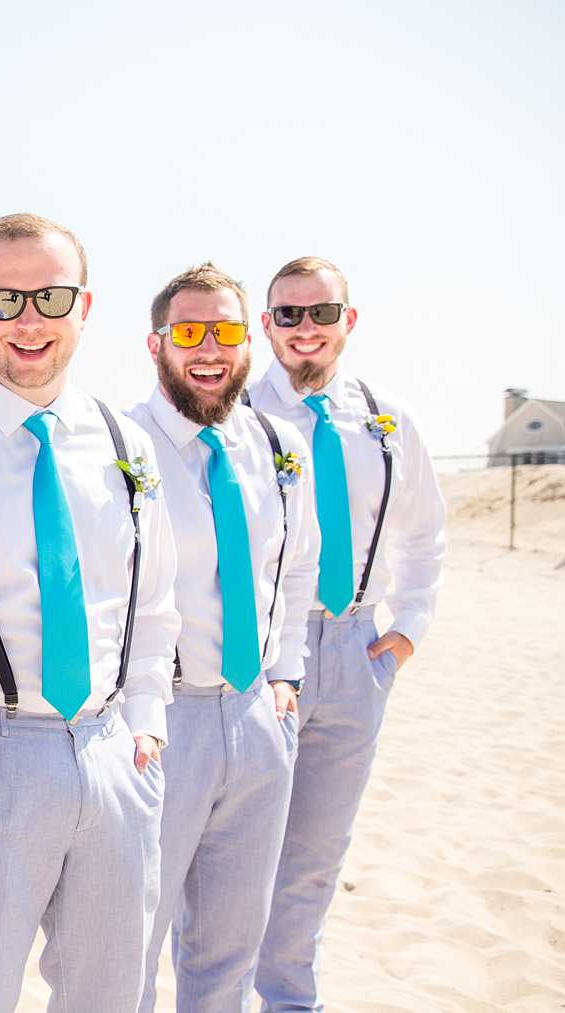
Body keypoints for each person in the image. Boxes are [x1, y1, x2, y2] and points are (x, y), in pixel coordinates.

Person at [0, 213, 179, 1012]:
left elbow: (153, 598)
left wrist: (148, 720)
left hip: (112, 751)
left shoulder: (125, 443)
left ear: (85, 307)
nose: (28, 320)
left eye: (51, 296)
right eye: (5, 299)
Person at [250, 256, 446, 1011]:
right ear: (266, 325)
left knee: (314, 854)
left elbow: (426, 534)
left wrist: (404, 635)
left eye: (321, 313)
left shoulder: (387, 420)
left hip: (359, 648)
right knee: (233, 852)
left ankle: (291, 999)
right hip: (264, 654)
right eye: (288, 314)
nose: (305, 329)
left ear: (348, 322)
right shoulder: (238, 415)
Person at [127, 264, 317, 1011]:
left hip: (257, 718)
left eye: (228, 330)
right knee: (129, 943)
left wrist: (286, 676)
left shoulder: (278, 444)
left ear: (250, 340)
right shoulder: (120, 443)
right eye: (190, 332)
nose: (210, 348)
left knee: (229, 953)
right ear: (156, 344)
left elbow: (297, 569)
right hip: (160, 723)